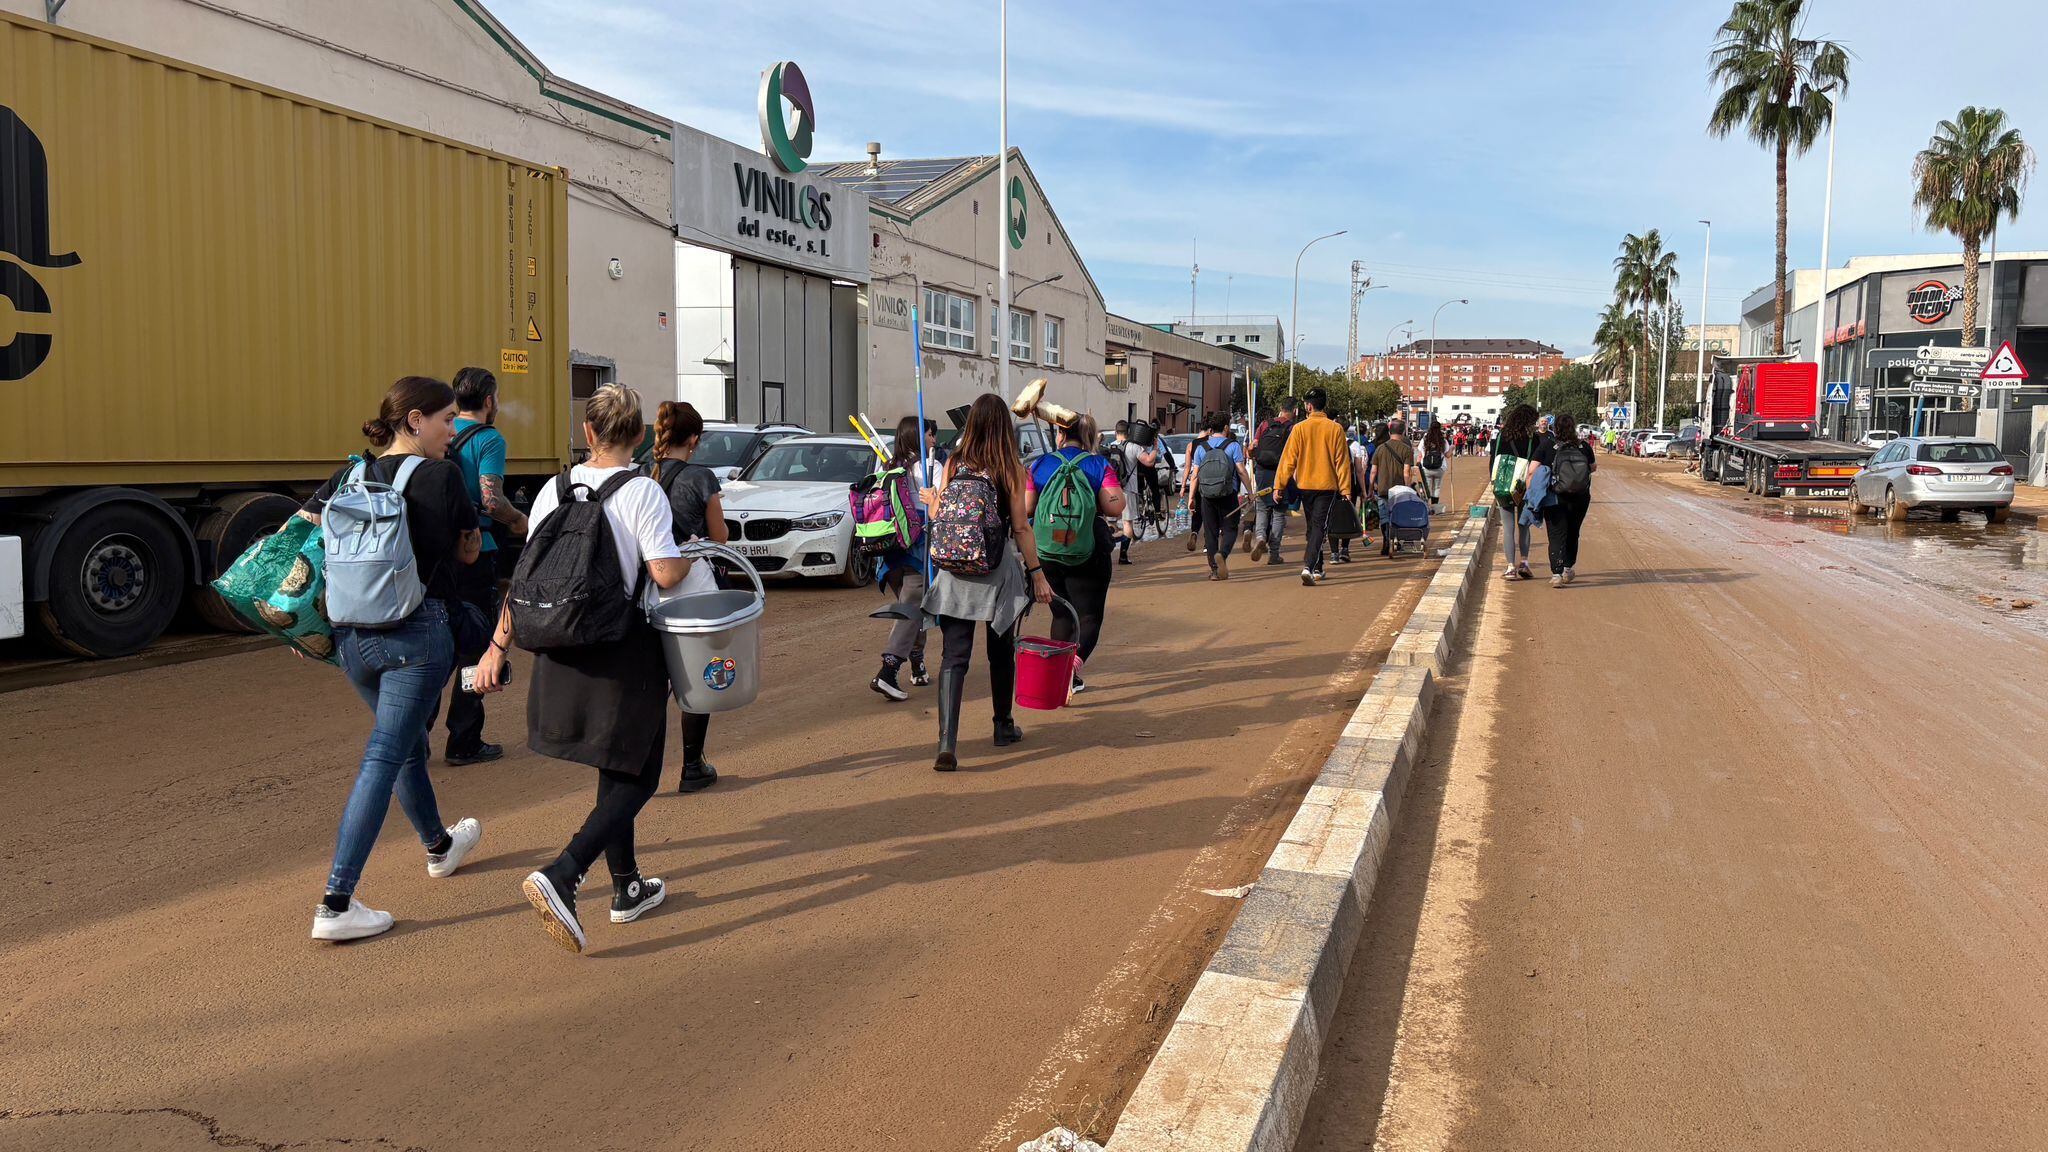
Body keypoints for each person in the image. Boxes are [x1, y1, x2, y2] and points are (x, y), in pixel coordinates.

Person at [474, 384, 695, 954]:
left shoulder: (554, 488)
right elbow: (665, 574)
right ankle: (565, 871)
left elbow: (526, 578)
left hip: (563, 642)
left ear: (589, 434)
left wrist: (495, 647)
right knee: (639, 774)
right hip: (624, 649)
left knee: (612, 764)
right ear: (640, 435)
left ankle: (627, 888)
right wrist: (687, 556)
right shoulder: (643, 491)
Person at [300, 376, 485, 942]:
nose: (453, 431)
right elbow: (468, 549)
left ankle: (440, 846)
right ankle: (336, 902)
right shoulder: (443, 476)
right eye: (446, 419)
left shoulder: (350, 473)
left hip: (351, 638)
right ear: (413, 421)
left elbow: (309, 530)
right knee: (385, 755)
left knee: (404, 746)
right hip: (416, 635)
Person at [920, 394, 1055, 771]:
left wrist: (931, 500)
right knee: (1000, 652)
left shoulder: (955, 462)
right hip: (995, 574)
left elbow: (938, 513)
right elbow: (1021, 527)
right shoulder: (1010, 467)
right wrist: (1037, 574)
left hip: (953, 574)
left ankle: (947, 743)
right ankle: (1002, 725)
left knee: (953, 657)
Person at [443, 366, 528, 767]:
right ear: (490, 400)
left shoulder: (439, 431)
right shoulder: (489, 438)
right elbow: (491, 499)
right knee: (476, 643)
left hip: (438, 552)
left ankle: (414, 740)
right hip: (478, 551)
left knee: (435, 640)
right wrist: (518, 520)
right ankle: (464, 740)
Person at [650, 400, 729, 791]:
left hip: (647, 588)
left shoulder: (639, 476)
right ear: (694, 439)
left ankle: (639, 769)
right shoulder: (701, 477)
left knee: (649, 681)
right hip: (693, 588)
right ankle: (692, 766)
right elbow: (720, 537)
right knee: (698, 677)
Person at [1027, 413, 1123, 693]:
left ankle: (1060, 675)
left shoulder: (1041, 464)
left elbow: (1028, 507)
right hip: (1088, 550)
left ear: (1060, 435)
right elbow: (1115, 506)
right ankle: (1072, 668)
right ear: (1088, 436)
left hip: (1048, 551)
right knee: (1089, 617)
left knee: (1061, 616)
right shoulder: (1098, 464)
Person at [872, 416, 934, 700]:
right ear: (918, 437)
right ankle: (889, 670)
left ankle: (918, 663)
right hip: (917, 548)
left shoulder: (885, 465)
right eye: (930, 435)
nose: (933, 440)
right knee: (911, 611)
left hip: (889, 552)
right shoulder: (930, 467)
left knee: (912, 610)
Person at [1273, 387, 1352, 587]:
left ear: (1308, 406)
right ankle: (1310, 567)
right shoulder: (1335, 429)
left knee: (1313, 526)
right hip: (1327, 486)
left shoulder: (1299, 428)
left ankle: (1316, 567)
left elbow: (1287, 460)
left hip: (1305, 486)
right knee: (1318, 526)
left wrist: (1279, 486)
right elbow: (1342, 463)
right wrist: (1346, 490)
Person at [1186, 411, 1255, 580]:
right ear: (1226, 427)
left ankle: (1215, 570)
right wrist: (1250, 492)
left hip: (1207, 496)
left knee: (1210, 533)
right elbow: (1241, 471)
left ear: (1210, 429)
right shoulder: (1233, 446)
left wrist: (1191, 498)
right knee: (1230, 528)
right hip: (1228, 494)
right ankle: (1222, 554)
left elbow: (1194, 475)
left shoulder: (1201, 448)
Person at [1536, 415, 1596, 586]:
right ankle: (1568, 569)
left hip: (1555, 496)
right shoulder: (1583, 446)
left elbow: (1533, 468)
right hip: (1580, 497)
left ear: (1555, 429)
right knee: (1573, 532)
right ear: (1573, 427)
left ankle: (1556, 574)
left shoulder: (1548, 445)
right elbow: (1593, 467)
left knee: (1556, 535)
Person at [1492, 404, 1543, 581]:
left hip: (1504, 485)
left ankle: (1510, 568)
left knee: (1507, 527)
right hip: (1524, 486)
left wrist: (1495, 484)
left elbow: (1494, 462)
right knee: (1524, 526)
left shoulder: (1501, 436)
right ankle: (1524, 563)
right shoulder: (1533, 439)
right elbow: (1538, 465)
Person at [1248, 400, 1296, 565]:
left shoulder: (1265, 424)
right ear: (1294, 410)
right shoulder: (1292, 428)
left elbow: (1252, 447)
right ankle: (1274, 554)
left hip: (1261, 471)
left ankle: (1260, 537)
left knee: (1262, 509)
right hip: (1280, 473)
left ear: (1280, 409)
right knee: (1278, 513)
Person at [1370, 422, 1419, 558]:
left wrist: (1370, 489)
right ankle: (1397, 541)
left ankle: (1387, 539)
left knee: (1384, 517)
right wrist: (1408, 488)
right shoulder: (1406, 449)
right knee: (1399, 516)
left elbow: (1373, 472)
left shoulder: (1380, 449)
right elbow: (1406, 472)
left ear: (1390, 432)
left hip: (1383, 489)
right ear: (1403, 432)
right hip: (1399, 491)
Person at [1419, 423, 1448, 504]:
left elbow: (1420, 453)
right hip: (1439, 468)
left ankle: (1426, 507)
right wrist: (1452, 448)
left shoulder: (1425, 439)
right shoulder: (1443, 440)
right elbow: (1447, 455)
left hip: (1426, 467)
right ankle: (1435, 507)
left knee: (1427, 488)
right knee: (1436, 488)